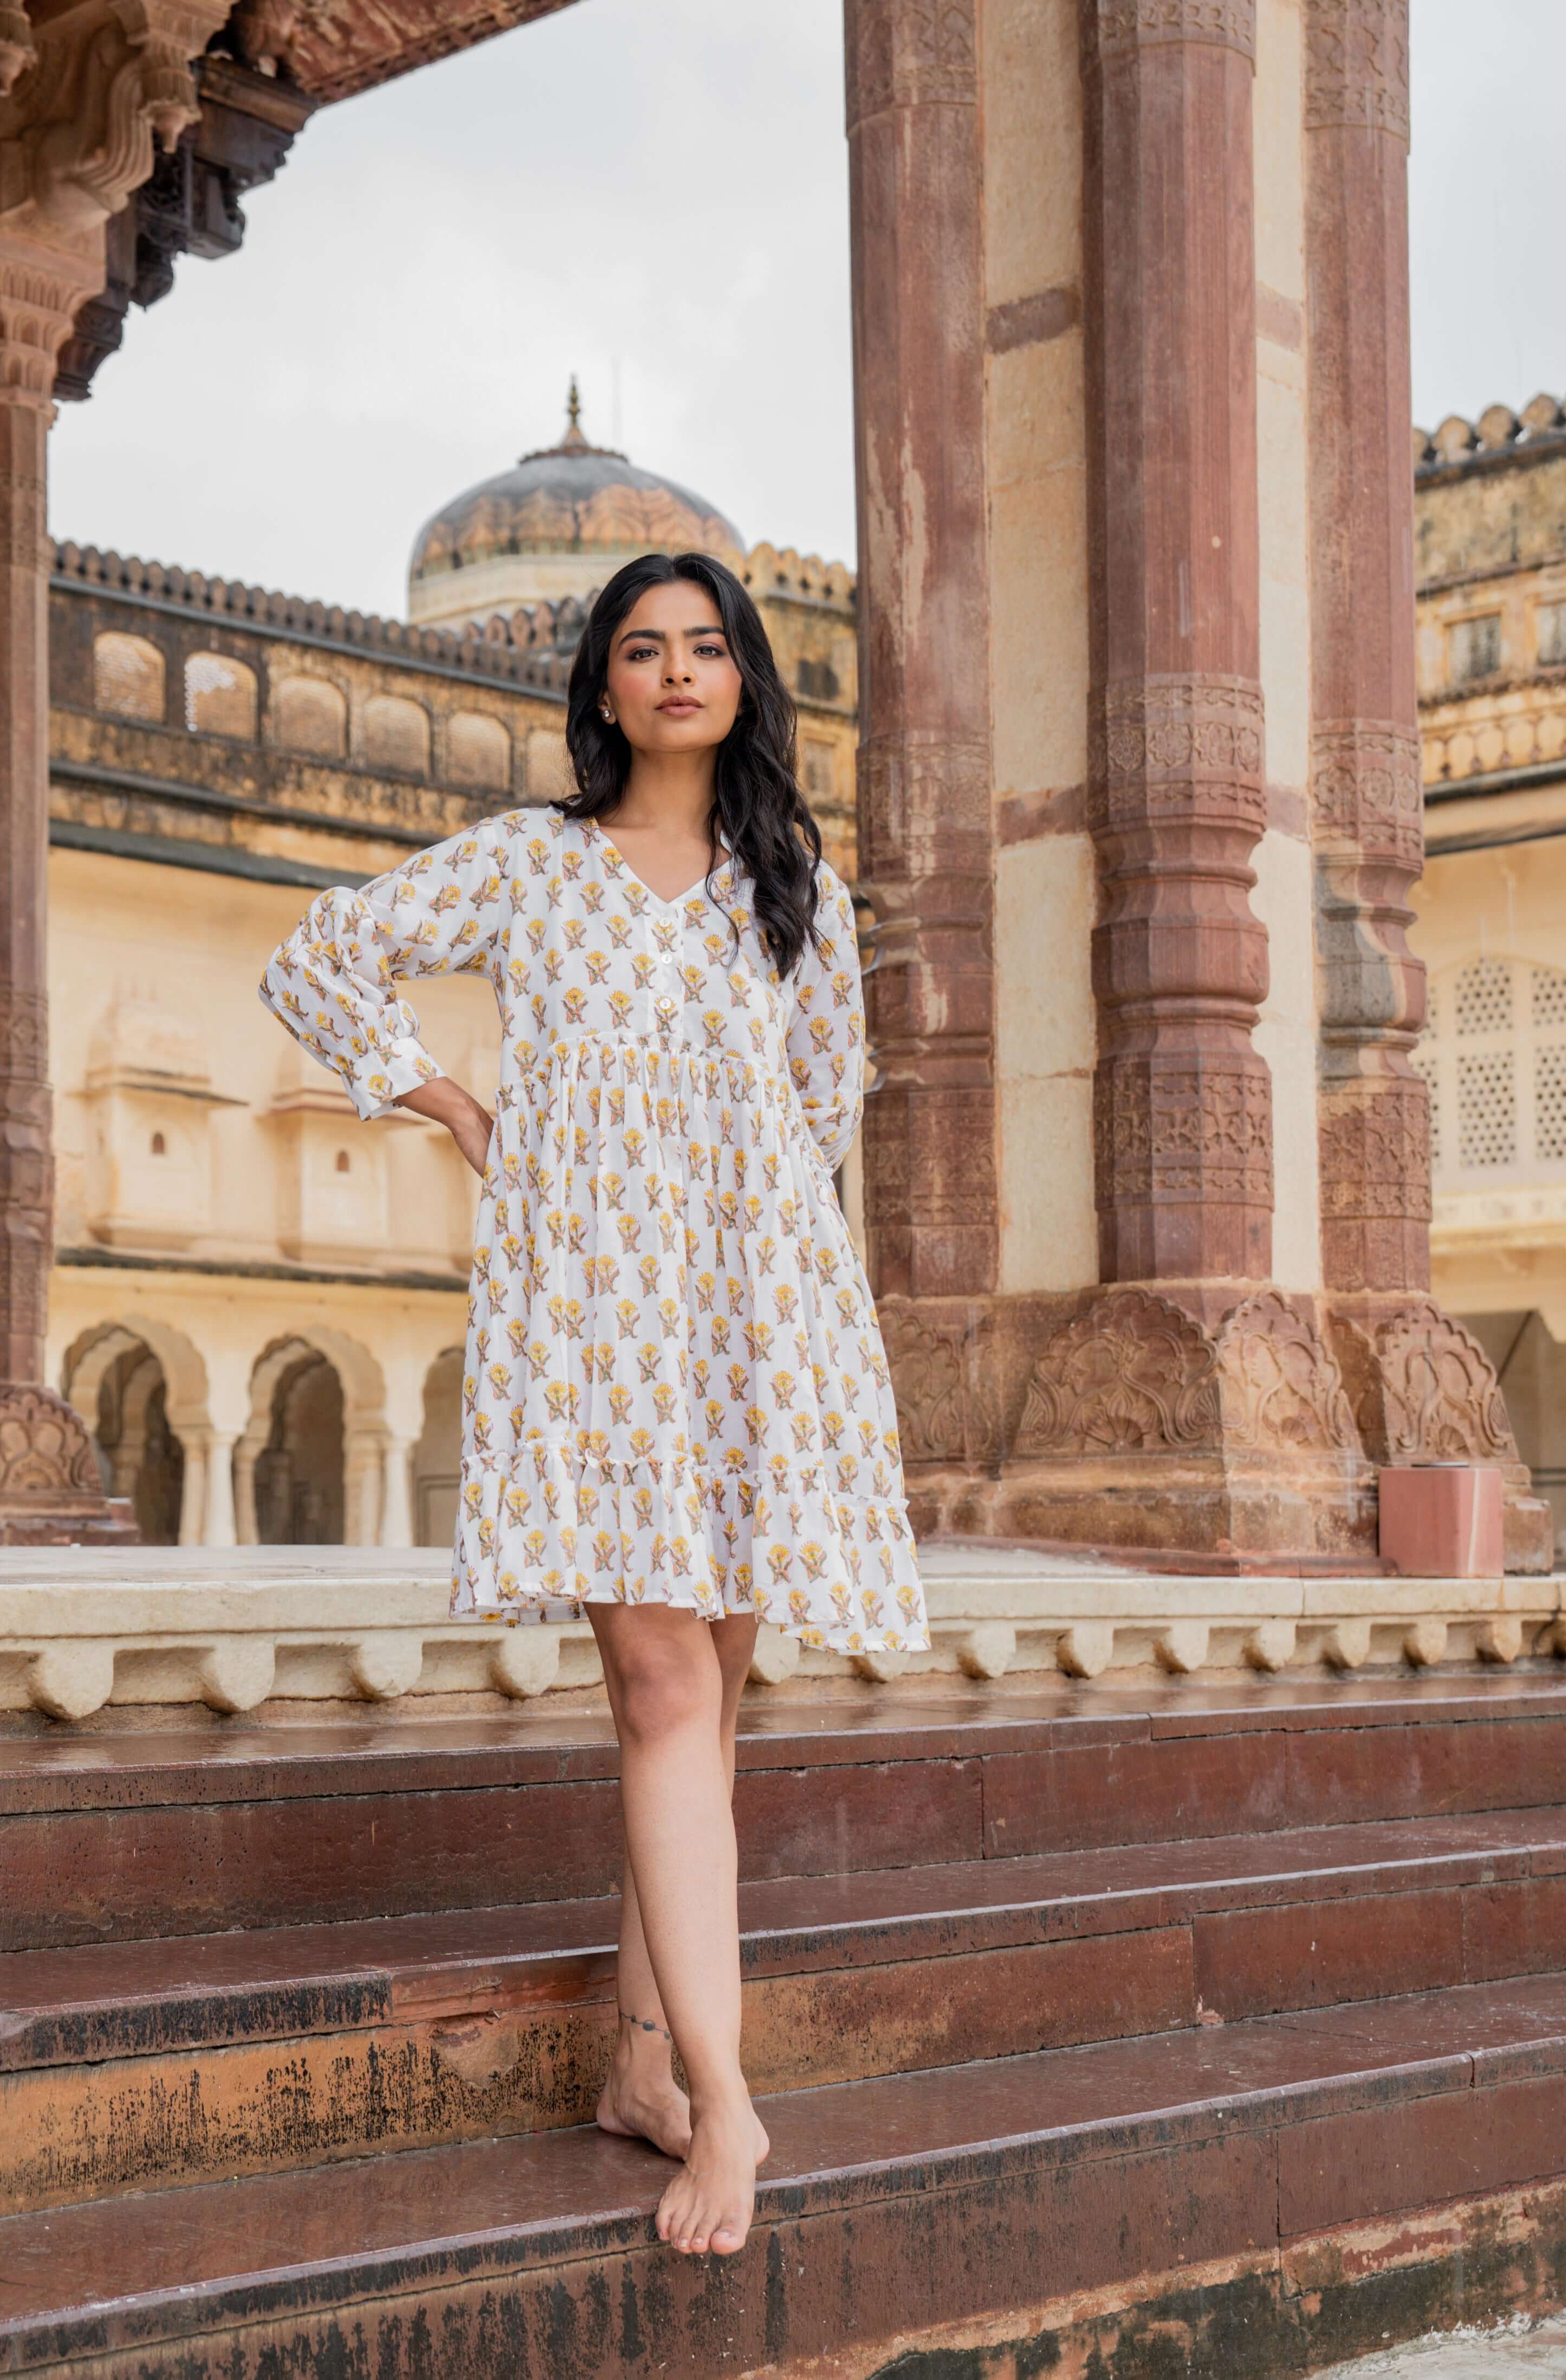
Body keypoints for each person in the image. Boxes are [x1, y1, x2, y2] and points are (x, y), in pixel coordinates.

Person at [262, 549, 925, 2258]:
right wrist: (460, 1105)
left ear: (742, 678)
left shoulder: (797, 888)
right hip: (592, 1317)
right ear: (605, 685)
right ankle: (727, 2098)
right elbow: (324, 953)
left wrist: (774, 1290)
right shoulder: (530, 863)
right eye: (645, 647)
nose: (680, 670)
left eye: (707, 645)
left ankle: (639, 2059)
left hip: (753, 1311)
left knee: (710, 1691)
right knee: (651, 1680)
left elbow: (823, 1105)